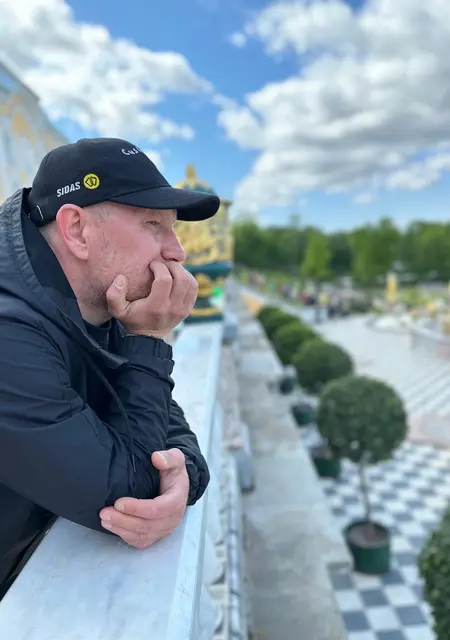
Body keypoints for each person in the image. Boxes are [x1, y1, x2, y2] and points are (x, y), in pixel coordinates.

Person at [0, 137, 221, 598]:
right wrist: (151, 338)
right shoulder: (9, 332)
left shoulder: (93, 299)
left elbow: (163, 419)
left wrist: (185, 474)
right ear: (77, 230)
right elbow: (131, 489)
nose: (178, 251)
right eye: (153, 224)